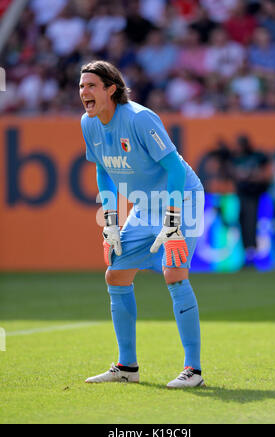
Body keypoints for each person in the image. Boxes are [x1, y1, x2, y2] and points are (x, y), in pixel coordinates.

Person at [79, 60, 205, 389]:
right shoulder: (88, 124)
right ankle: (126, 366)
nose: (84, 92)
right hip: (144, 205)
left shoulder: (140, 118)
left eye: (91, 85)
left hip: (183, 199)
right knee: (116, 274)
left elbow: (175, 169)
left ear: (111, 89)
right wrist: (110, 222)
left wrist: (174, 222)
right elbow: (103, 171)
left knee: (174, 272)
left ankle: (194, 370)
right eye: (81, 86)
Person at [232, 134, 270, 263]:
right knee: (242, 221)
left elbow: (265, 168)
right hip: (241, 195)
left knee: (251, 222)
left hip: (253, 194)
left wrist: (252, 176)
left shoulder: (255, 156)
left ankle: (252, 251)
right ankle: (246, 252)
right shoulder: (237, 159)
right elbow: (233, 172)